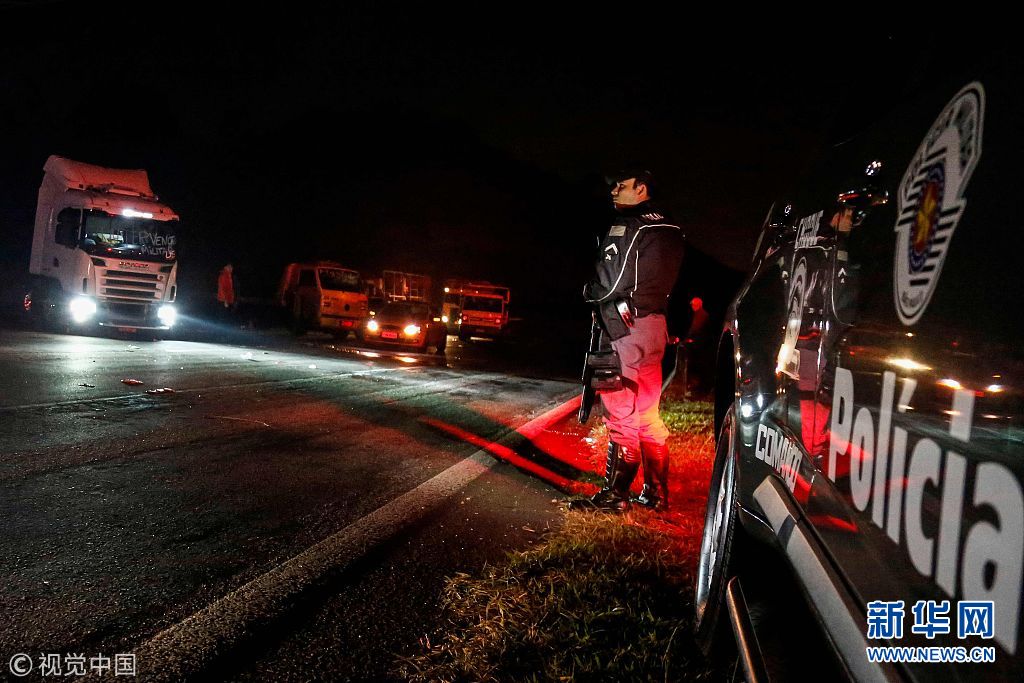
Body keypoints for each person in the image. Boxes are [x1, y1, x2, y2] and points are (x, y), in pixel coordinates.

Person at [576, 168, 685, 512]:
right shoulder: (671, 228)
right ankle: (656, 494)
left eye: (620, 185)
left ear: (641, 189)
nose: (613, 191)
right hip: (656, 327)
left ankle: (615, 496)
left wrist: (588, 292)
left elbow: (608, 283)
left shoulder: (627, 226)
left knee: (621, 410)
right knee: (648, 412)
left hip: (625, 328)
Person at [684, 296, 712, 394]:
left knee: (696, 366)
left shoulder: (701, 315)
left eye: (693, 305)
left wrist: (688, 338)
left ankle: (697, 387)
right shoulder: (701, 314)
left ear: (698, 305)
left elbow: (695, 329)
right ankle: (698, 387)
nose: (692, 307)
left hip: (699, 345)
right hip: (700, 344)